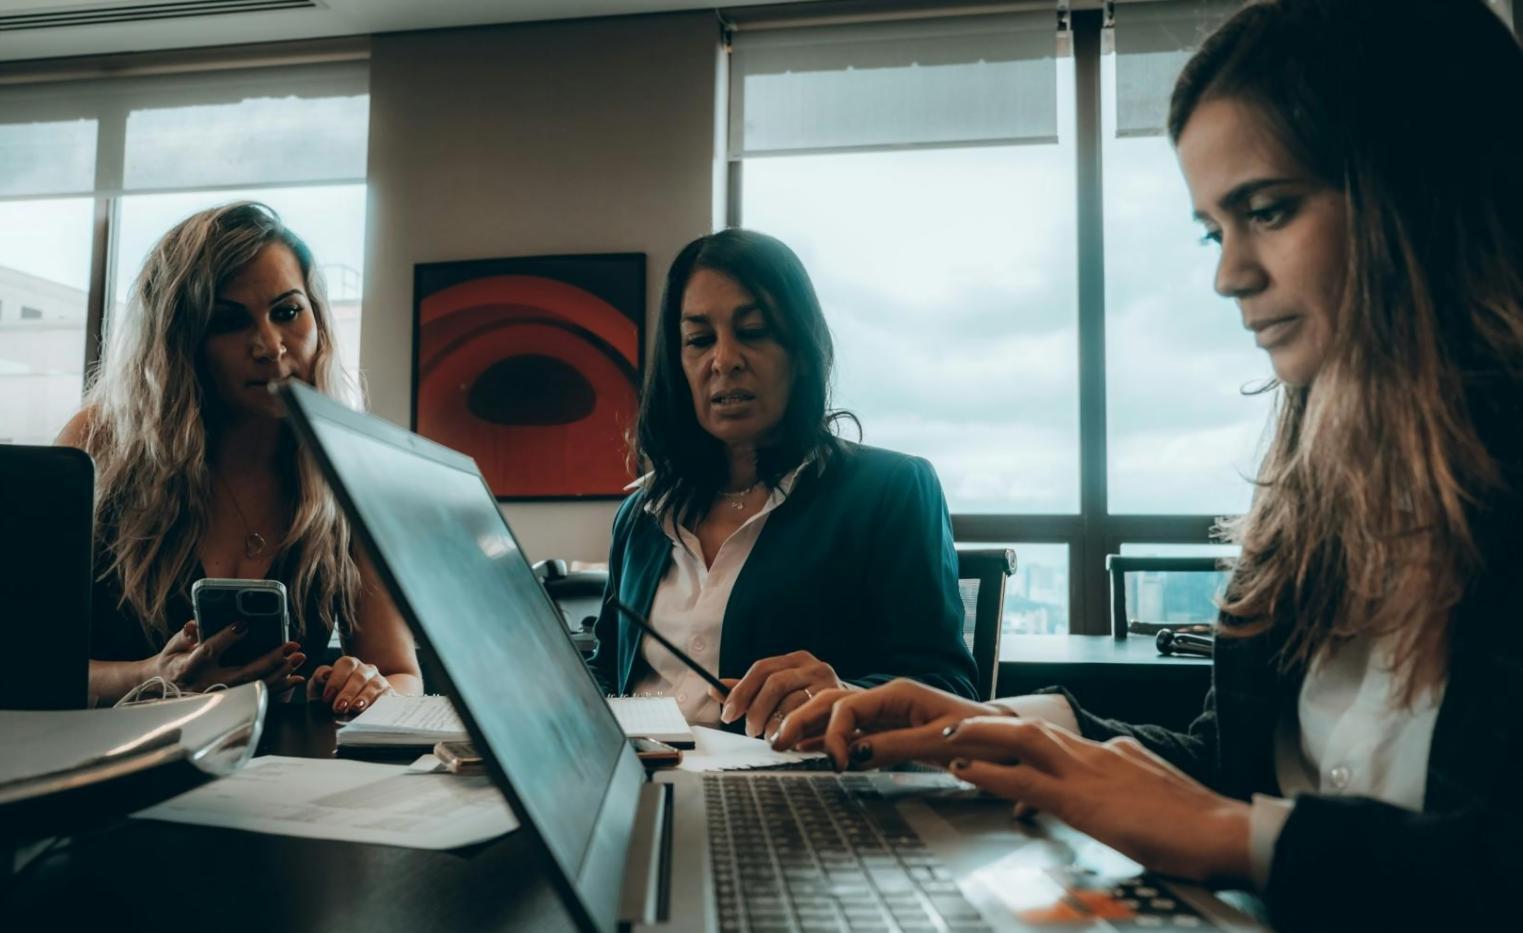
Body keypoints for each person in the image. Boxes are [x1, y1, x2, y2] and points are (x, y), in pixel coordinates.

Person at [772, 1, 1523, 928]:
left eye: (1268, 211)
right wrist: (1001, 727)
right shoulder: (1313, 503)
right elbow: (1232, 766)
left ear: (1422, 189)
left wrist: (1231, 836)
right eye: (1215, 231)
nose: (1228, 275)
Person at [588, 229, 979, 737]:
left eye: (753, 331)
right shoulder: (642, 512)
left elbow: (950, 688)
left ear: (801, 350)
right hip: (630, 779)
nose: (724, 360)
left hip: (786, 785)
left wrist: (849, 697)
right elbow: (606, 669)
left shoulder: (892, 491)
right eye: (699, 340)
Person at [58, 202, 422, 712]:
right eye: (229, 321)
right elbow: (23, 662)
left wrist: (369, 685)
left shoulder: (347, 468)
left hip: (282, 778)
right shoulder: (99, 444)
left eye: (287, 312)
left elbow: (401, 674)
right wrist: (154, 677)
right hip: (115, 773)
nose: (270, 346)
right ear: (179, 339)